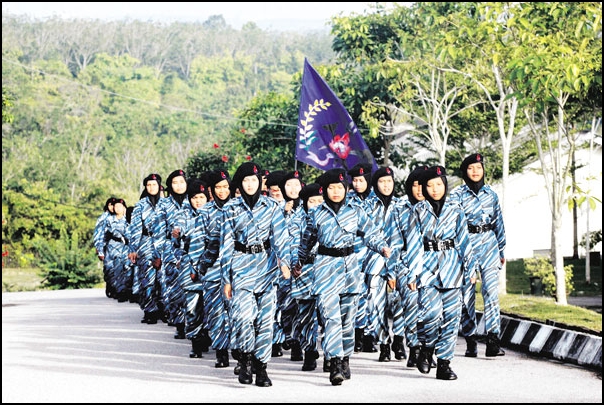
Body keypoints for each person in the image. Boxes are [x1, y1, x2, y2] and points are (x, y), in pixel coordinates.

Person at [294, 168, 391, 386]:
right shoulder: (316, 213)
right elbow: (306, 241)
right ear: (325, 190)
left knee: (348, 319)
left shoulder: (356, 211)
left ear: (346, 189)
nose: (336, 192)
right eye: (331, 188)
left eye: (340, 187)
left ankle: (345, 357)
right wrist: (298, 262)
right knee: (331, 318)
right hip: (326, 268)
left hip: (349, 268)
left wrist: (382, 247)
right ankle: (335, 361)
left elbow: (371, 233)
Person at [221, 162, 292, 387]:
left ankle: (261, 367)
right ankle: (246, 358)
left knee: (265, 321)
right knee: (243, 318)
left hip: (266, 266)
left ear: (260, 182)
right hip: (241, 267)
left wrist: (285, 263)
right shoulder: (230, 208)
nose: (250, 184)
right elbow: (226, 244)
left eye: (254, 180)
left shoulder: (272, 206)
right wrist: (226, 278)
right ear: (240, 184)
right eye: (246, 180)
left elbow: (280, 237)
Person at [406, 165, 478, 380]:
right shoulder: (417, 210)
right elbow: (413, 244)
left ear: (445, 185)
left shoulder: (456, 209)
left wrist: (470, 268)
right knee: (431, 314)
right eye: (429, 185)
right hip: (426, 267)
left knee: (451, 318)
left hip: (452, 268)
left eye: (439, 184)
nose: (435, 189)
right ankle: (427, 348)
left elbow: (464, 241)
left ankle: (444, 363)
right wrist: (413, 274)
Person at [449, 153, 506, 357]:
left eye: (479, 168)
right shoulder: (457, 196)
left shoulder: (491, 194)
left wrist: (501, 249)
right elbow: (453, 224)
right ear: (465, 171)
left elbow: (499, 222)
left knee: (491, 293)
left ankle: (493, 340)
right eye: (471, 168)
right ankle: (471, 339)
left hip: (489, 245)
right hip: (467, 247)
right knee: (467, 296)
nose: (475, 171)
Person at [187, 169, 233, 365]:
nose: (222, 191)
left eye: (225, 187)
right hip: (212, 267)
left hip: (235, 268)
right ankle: (221, 351)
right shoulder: (205, 211)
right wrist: (197, 268)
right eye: (218, 188)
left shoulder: (236, 207)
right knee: (215, 311)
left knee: (235, 311)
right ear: (212, 191)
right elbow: (198, 242)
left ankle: (239, 351)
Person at [387, 165, 428, 367]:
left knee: (431, 310)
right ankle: (414, 347)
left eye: (424, 185)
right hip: (406, 265)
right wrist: (391, 271)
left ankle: (429, 349)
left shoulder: (438, 209)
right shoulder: (399, 210)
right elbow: (393, 243)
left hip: (433, 265)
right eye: (415, 185)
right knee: (411, 307)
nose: (420, 190)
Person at [362, 167, 402, 363]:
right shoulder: (367, 206)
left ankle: (400, 340)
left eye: (389, 181)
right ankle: (384, 345)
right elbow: (362, 234)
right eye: (382, 182)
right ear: (375, 184)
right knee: (376, 305)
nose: (386, 185)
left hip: (399, 261)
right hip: (373, 261)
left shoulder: (401, 205)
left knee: (400, 302)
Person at [151, 169, 193, 338]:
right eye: (175, 183)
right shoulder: (164, 204)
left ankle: (194, 324)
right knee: (175, 288)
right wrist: (158, 254)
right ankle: (179, 323)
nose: (179, 186)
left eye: (182, 182)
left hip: (191, 249)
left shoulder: (194, 200)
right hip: (170, 249)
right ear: (169, 185)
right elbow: (158, 231)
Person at [290, 182, 324, 371]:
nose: (317, 204)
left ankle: (331, 355)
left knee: (328, 313)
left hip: (325, 268)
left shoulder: (329, 218)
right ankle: (309, 351)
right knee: (305, 314)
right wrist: (296, 262)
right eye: (312, 201)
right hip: (304, 269)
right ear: (305, 202)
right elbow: (294, 243)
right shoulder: (298, 220)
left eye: (320, 200)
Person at [179, 178, 211, 359]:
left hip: (210, 268)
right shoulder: (183, 215)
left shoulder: (214, 214)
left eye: (201, 197)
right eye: (194, 198)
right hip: (189, 269)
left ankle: (207, 335)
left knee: (211, 306)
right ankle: (195, 341)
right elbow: (177, 238)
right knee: (192, 307)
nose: (198, 201)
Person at [275, 170, 304, 362]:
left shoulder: (309, 208)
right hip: (282, 265)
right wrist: (284, 213)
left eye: (296, 185)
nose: (293, 189)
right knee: (284, 304)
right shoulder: (275, 209)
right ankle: (282, 336)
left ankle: (297, 343)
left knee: (301, 305)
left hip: (302, 265)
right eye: (288, 185)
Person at [346, 163, 376, 354]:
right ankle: (357, 332)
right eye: (355, 180)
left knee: (373, 295)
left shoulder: (377, 200)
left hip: (374, 253)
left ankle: (370, 335)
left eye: (361, 180)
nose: (357, 184)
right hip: (354, 254)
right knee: (358, 294)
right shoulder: (348, 201)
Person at [128, 174, 163, 324]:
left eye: (154, 185)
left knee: (163, 279)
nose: (151, 188)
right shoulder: (141, 205)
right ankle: (150, 310)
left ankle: (164, 309)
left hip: (163, 242)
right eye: (148, 185)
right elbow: (135, 228)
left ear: (159, 186)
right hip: (146, 242)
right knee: (147, 279)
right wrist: (133, 248)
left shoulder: (166, 204)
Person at [94, 197, 116, 298]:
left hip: (118, 246)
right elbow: (98, 234)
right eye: (110, 205)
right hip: (106, 245)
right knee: (109, 268)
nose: (112, 207)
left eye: (114, 205)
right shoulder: (103, 218)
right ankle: (110, 288)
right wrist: (99, 249)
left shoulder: (118, 217)